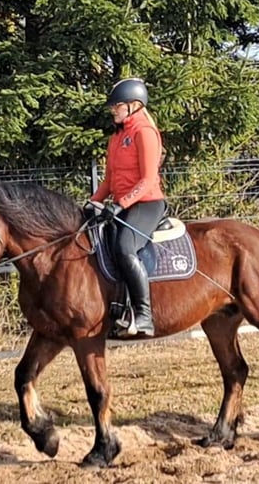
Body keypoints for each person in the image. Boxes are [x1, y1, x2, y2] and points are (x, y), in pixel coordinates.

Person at [88, 77, 167, 337]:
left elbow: (148, 180)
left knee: (124, 247)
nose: (113, 110)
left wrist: (120, 204)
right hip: (123, 205)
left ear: (134, 105)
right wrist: (94, 202)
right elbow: (110, 180)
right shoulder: (117, 137)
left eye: (117, 106)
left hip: (147, 204)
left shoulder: (144, 132)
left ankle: (143, 316)